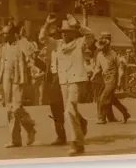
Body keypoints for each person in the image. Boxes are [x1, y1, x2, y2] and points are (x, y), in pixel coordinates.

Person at [39, 13, 94, 156]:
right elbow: (42, 38)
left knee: (70, 110)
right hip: (64, 81)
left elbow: (90, 36)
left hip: (76, 80)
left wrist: (78, 26)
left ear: (73, 33)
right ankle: (79, 144)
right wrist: (47, 24)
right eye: (62, 33)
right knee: (69, 111)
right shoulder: (57, 44)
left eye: (67, 33)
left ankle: (76, 143)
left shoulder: (80, 42)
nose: (64, 35)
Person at [0, 24, 36, 148]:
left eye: (7, 33)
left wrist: (22, 37)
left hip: (19, 81)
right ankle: (15, 140)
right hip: (6, 81)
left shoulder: (20, 45)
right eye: (3, 34)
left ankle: (30, 128)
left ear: (13, 34)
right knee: (10, 110)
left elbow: (31, 52)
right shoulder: (2, 47)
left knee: (16, 108)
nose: (4, 36)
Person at [38, 21, 67, 146]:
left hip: (64, 77)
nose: (53, 36)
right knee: (55, 106)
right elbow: (41, 37)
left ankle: (81, 122)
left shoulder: (63, 44)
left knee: (67, 105)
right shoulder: (49, 45)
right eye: (51, 34)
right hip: (53, 78)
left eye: (55, 33)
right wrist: (47, 23)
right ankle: (61, 136)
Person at [94, 36, 130, 124]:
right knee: (112, 99)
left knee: (104, 97)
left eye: (103, 48)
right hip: (105, 79)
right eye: (100, 48)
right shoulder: (99, 55)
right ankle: (124, 113)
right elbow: (98, 68)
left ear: (107, 46)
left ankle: (101, 118)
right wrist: (93, 75)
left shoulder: (113, 54)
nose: (102, 50)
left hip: (112, 79)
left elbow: (120, 67)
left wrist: (119, 81)